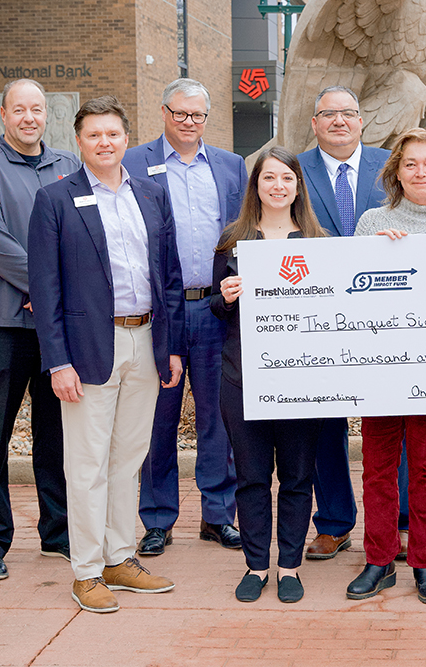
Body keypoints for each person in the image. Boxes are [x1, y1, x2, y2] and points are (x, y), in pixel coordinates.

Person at [27, 96, 184, 614]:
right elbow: (45, 288)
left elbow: (170, 278)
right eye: (94, 134)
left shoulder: (152, 194)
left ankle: (119, 557)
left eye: (113, 133)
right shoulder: (55, 199)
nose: (104, 142)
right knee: (88, 463)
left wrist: (172, 348)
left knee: (128, 458)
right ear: (79, 142)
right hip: (88, 348)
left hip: (146, 340)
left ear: (126, 138)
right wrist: (58, 362)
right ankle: (87, 571)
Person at [346, 128, 426, 606]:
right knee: (378, 469)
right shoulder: (372, 223)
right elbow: (351, 294)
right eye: (411, 164)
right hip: (380, 368)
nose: (421, 172)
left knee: (425, 468)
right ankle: (378, 560)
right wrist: (377, 254)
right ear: (396, 172)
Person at [0, 78, 78, 581]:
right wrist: (47, 285)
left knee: (56, 434)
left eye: (37, 109)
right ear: (3, 115)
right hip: (0, 324)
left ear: (46, 115)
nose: (29, 118)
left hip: (54, 328)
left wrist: (52, 294)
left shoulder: (68, 165)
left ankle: (58, 532)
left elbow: (79, 235)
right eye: (19, 109)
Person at [125, 78, 246, 556]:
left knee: (219, 418)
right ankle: (158, 519)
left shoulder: (231, 166)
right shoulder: (134, 163)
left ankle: (218, 516)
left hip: (218, 308)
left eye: (197, 115)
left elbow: (246, 230)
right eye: (180, 113)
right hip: (163, 311)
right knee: (159, 418)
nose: (189, 122)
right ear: (163, 113)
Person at [210, 147, 326, 604]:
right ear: (255, 185)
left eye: (287, 178)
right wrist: (225, 296)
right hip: (243, 376)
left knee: (297, 477)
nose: (278, 186)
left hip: (301, 380)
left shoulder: (317, 242)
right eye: (269, 178)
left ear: (298, 187)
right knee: (252, 477)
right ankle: (256, 565)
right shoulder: (233, 240)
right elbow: (215, 308)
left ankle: (289, 566)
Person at [296, 86, 391, 561]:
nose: (339, 121)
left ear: (361, 121)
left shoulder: (391, 165)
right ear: (314, 123)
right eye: (328, 114)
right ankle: (334, 522)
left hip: (388, 316)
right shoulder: (294, 170)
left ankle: (398, 522)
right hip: (321, 318)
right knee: (324, 424)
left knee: (393, 417)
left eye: (348, 113)